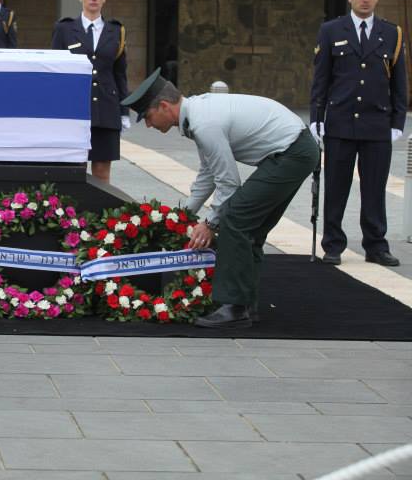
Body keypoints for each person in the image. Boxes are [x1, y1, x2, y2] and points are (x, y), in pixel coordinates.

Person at [123, 69, 319, 328]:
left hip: (292, 153)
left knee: (235, 219)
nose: (148, 125)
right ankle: (246, 305)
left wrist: (211, 223)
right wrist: (184, 215)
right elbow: (208, 173)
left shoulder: (203, 123)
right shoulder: (197, 115)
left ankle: (234, 308)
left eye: (147, 116)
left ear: (164, 106)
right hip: (294, 151)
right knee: (251, 227)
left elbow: (228, 182)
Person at [310, 0, 407, 268]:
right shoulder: (331, 31)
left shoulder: (392, 33)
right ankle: (333, 245)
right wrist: (317, 117)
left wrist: (397, 122)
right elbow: (321, 78)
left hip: (377, 124)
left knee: (375, 189)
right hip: (340, 122)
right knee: (336, 187)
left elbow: (399, 82)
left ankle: (376, 245)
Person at [51, 0, 130, 183]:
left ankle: (100, 216)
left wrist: (124, 111)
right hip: (74, 107)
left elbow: (120, 73)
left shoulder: (116, 31)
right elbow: (56, 72)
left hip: (106, 107)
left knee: (102, 171)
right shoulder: (65, 29)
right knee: (72, 169)